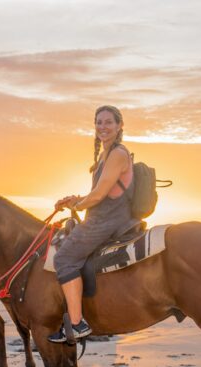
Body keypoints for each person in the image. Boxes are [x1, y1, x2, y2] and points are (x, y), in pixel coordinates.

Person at [48, 105, 137, 343]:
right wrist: (74, 200)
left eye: (108, 122)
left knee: (63, 258)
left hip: (108, 220)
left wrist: (77, 206)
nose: (103, 127)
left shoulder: (118, 154)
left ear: (119, 126)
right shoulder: (104, 156)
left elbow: (97, 197)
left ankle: (77, 324)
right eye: (99, 122)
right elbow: (98, 193)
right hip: (102, 215)